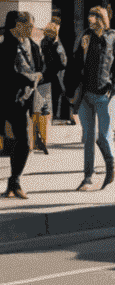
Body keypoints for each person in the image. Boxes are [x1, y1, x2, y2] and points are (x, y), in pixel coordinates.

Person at [75, 5, 115, 190]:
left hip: (104, 95)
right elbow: (75, 63)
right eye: (90, 15)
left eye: (95, 16)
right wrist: (70, 91)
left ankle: (110, 166)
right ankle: (88, 177)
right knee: (88, 137)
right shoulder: (85, 37)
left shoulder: (113, 38)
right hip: (85, 95)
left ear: (102, 19)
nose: (91, 19)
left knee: (103, 137)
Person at [3, 11, 43, 200]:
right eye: (28, 26)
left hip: (22, 101)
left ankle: (14, 181)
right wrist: (31, 77)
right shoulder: (6, 46)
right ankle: (14, 183)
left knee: (23, 143)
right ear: (18, 25)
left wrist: (38, 76)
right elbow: (8, 72)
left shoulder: (32, 45)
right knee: (15, 143)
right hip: (6, 100)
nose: (31, 30)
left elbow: (42, 67)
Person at [40, 19, 70, 134]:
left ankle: (50, 117)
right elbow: (63, 62)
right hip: (56, 73)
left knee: (49, 95)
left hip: (47, 73)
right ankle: (57, 117)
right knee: (58, 93)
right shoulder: (55, 44)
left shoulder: (44, 42)